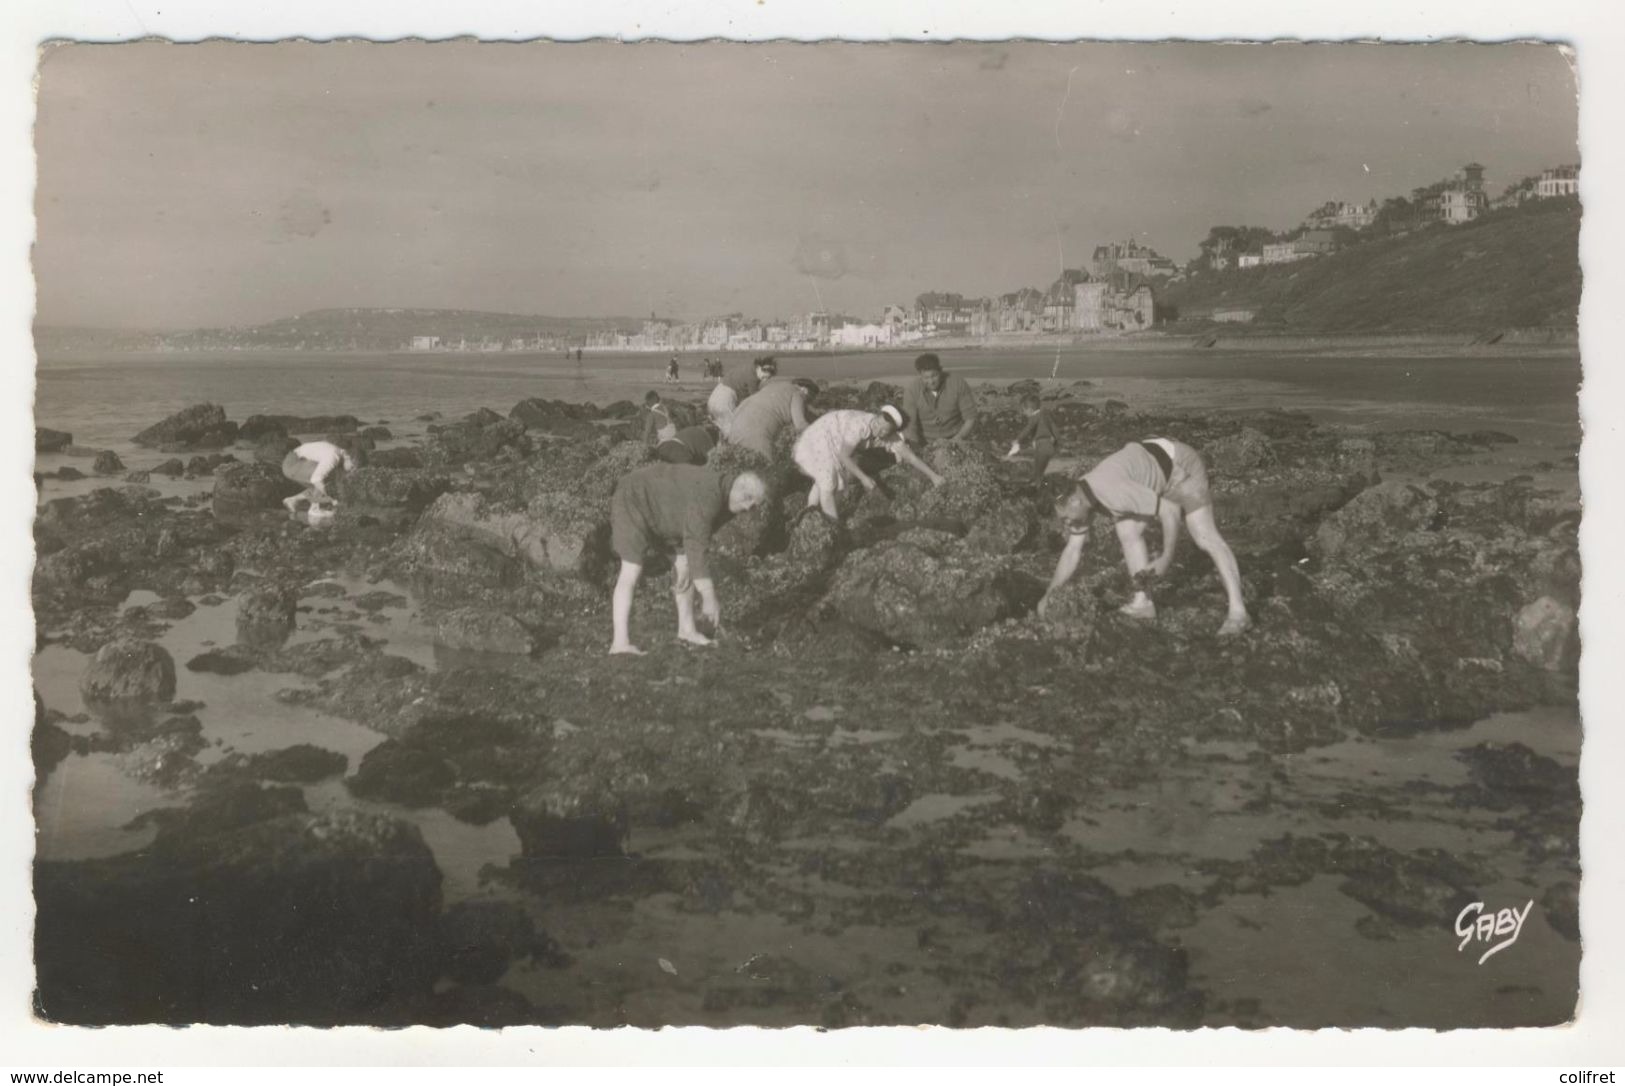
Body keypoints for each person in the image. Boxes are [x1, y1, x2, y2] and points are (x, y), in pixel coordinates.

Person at [1037, 437, 1252, 637]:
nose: (1066, 524)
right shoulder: (1081, 496)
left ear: (1074, 501)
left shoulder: (1112, 492)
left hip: (1180, 466)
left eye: (1065, 518)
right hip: (1152, 467)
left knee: (1204, 536)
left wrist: (1166, 558)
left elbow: (1169, 511)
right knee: (1127, 531)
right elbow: (1073, 550)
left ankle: (1239, 613)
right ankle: (1143, 603)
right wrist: (1049, 594)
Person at [609, 463, 767, 655]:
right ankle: (620, 643)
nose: (749, 506)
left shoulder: (731, 502)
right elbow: (695, 544)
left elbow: (693, 542)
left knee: (685, 566)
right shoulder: (710, 495)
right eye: (748, 498)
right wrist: (709, 597)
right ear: (737, 487)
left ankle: (687, 630)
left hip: (664, 512)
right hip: (633, 496)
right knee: (631, 568)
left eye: (754, 504)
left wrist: (684, 563)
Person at [792, 404, 945, 522]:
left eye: (884, 430)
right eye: (878, 423)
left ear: (892, 432)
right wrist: (863, 478)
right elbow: (845, 456)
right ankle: (832, 524)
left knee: (839, 484)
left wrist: (934, 476)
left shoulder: (891, 437)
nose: (878, 430)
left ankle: (811, 512)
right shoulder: (860, 426)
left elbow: (911, 457)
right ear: (878, 416)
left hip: (835, 440)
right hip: (822, 434)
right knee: (829, 482)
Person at [726, 375, 817, 459]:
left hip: (735, 427)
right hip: (755, 432)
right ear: (805, 390)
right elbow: (800, 424)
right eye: (809, 400)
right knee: (766, 470)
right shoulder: (799, 393)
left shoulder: (775, 386)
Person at [902, 353, 979, 447]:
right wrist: (916, 449)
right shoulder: (912, 390)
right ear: (920, 375)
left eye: (934, 376)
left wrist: (957, 439)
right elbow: (910, 426)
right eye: (926, 378)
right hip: (925, 442)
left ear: (940, 371)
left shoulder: (957, 383)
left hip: (957, 438)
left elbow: (970, 418)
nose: (931, 382)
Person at [708, 356, 777, 437]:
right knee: (732, 431)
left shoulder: (749, 368)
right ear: (758, 368)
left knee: (723, 428)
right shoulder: (752, 378)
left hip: (716, 395)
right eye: (764, 377)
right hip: (724, 400)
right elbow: (755, 400)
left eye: (767, 378)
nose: (764, 380)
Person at [280, 439, 357, 512]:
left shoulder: (338, 453)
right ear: (348, 457)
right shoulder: (333, 456)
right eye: (353, 467)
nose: (352, 470)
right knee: (322, 479)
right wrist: (332, 498)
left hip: (297, 462)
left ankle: (293, 500)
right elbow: (316, 479)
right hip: (292, 464)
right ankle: (315, 508)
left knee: (325, 480)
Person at [1004, 392, 1058, 482]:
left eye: (1023, 410)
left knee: (1038, 467)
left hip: (1042, 444)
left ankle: (1038, 484)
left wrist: (1017, 439)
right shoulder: (1044, 415)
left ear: (1029, 409)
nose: (1023, 413)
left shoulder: (1034, 418)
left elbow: (1027, 429)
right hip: (1047, 443)